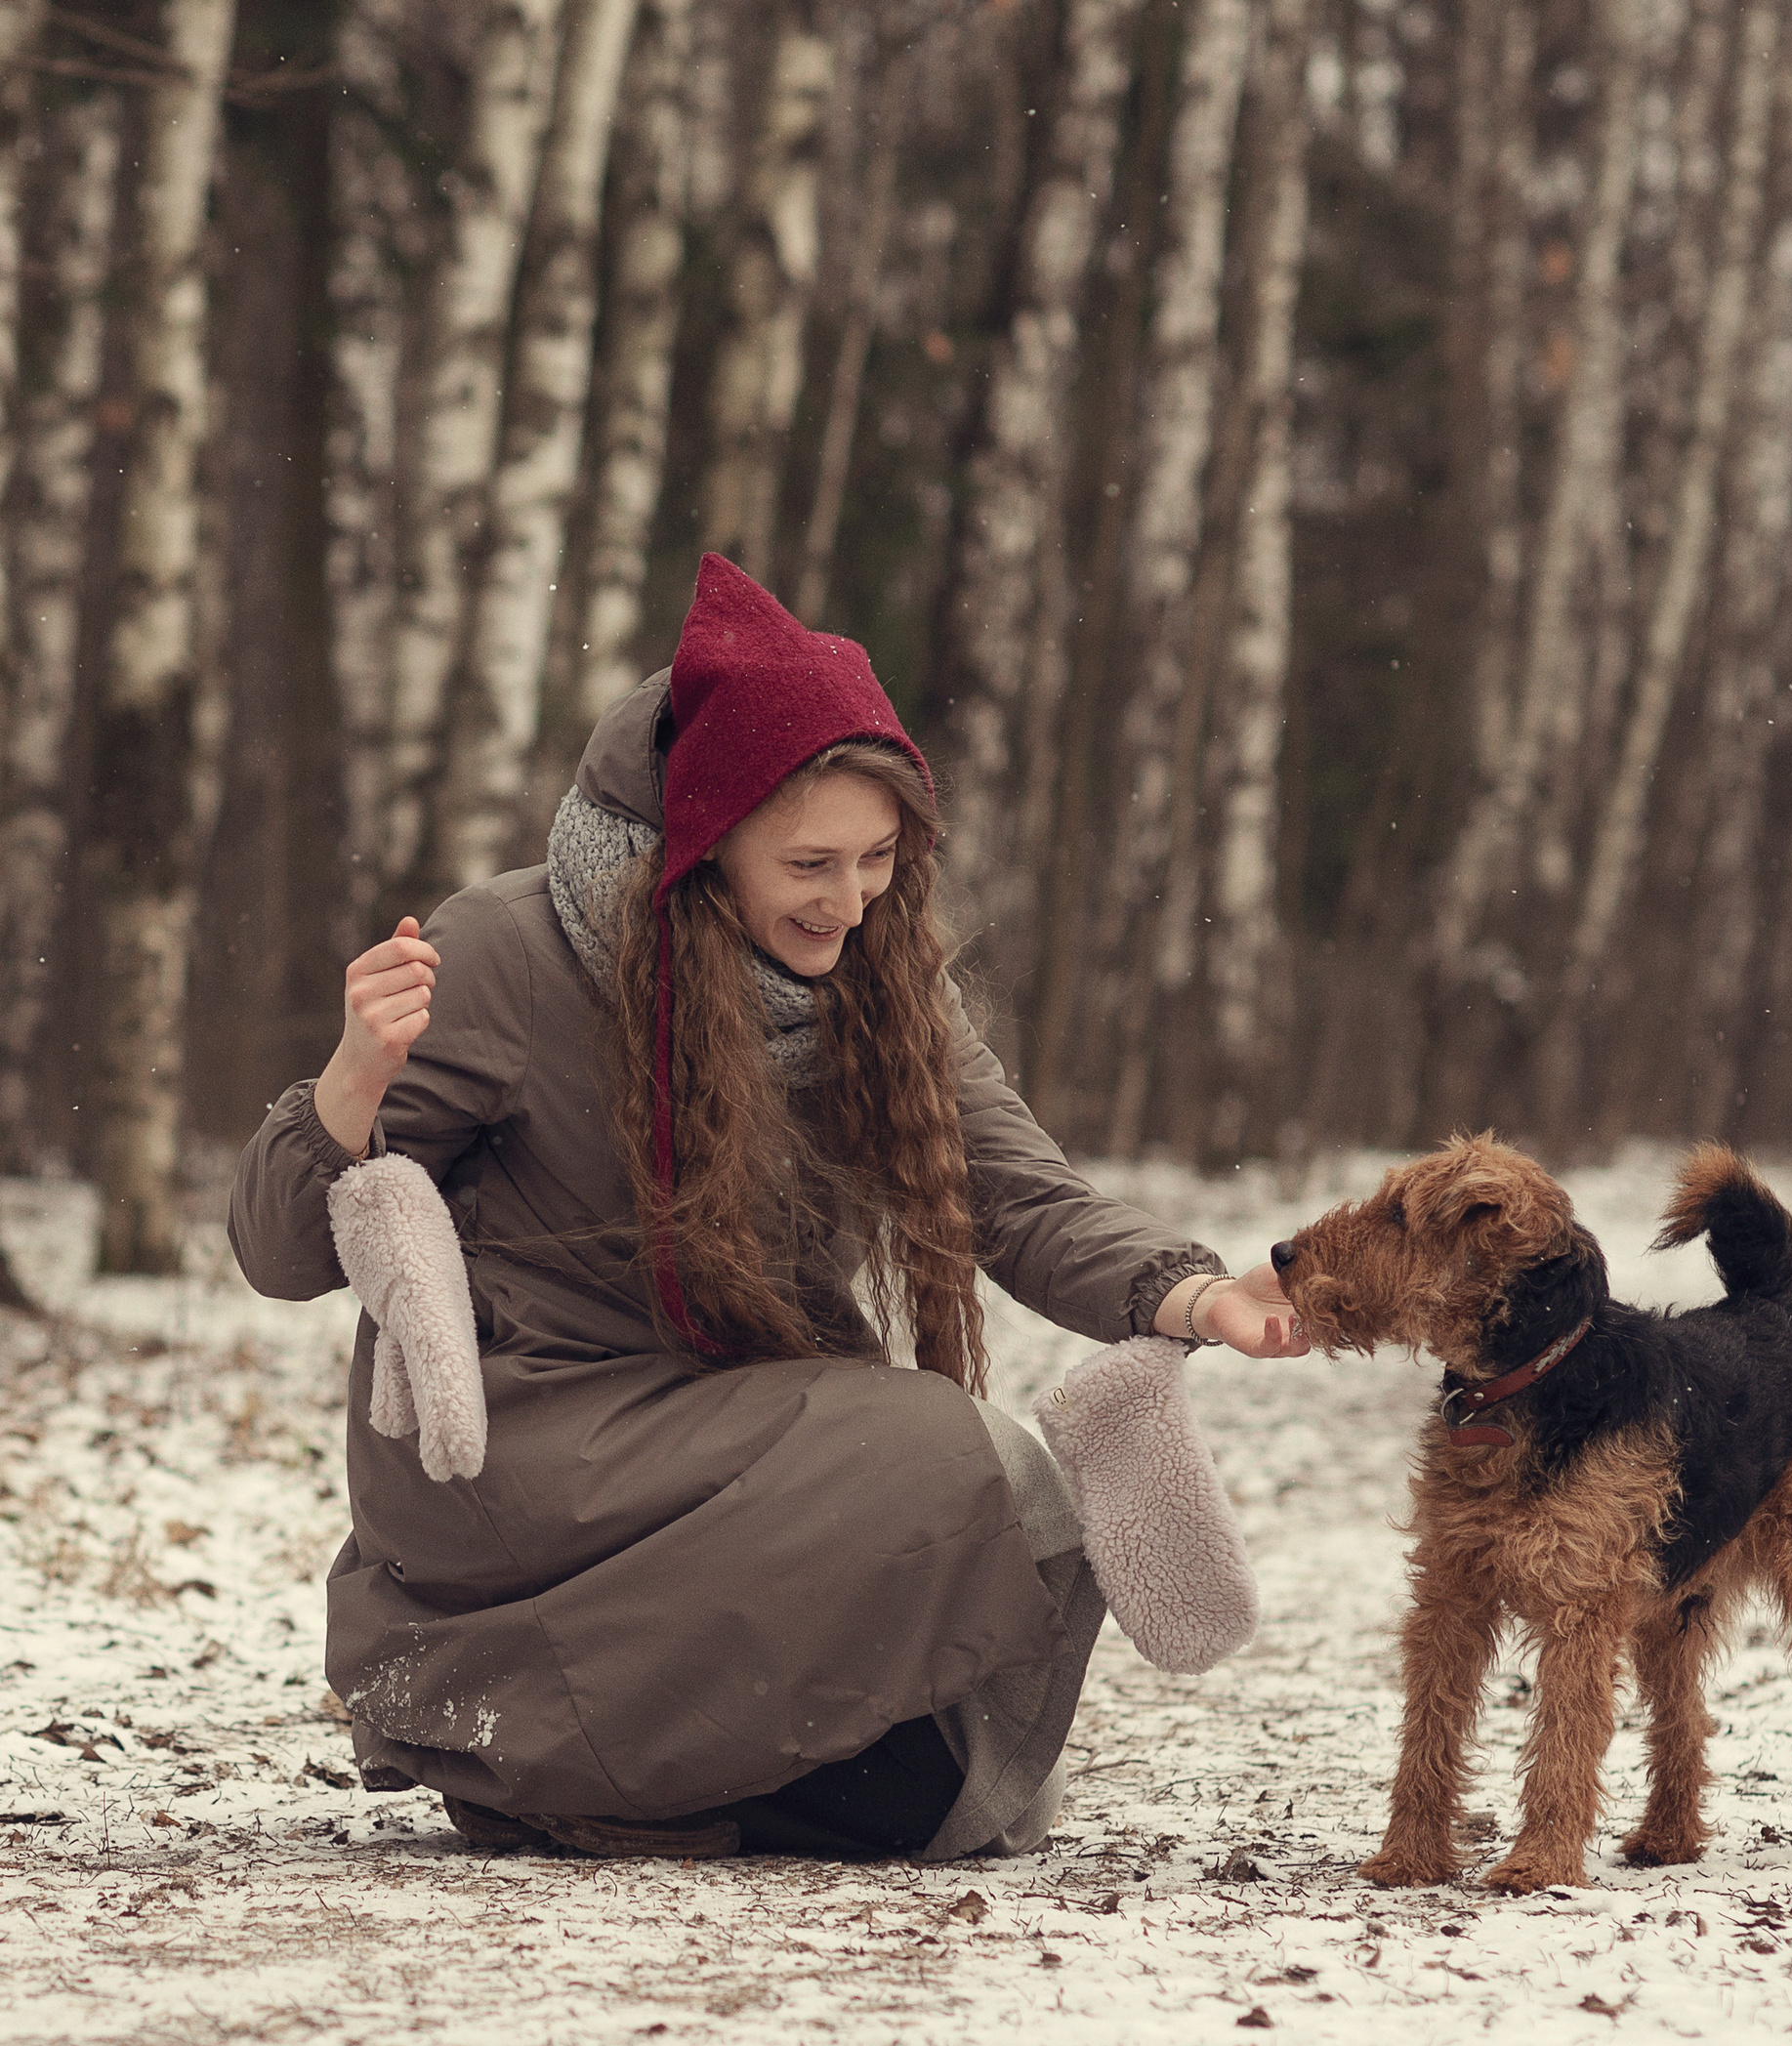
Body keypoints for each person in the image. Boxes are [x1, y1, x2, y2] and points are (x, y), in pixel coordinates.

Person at [228, 555, 1306, 1862]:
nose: (848, 902)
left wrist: (1191, 1294)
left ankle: (591, 1785)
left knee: (949, 1798)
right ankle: (545, 1751)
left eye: (878, 859)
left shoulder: (882, 980)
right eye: (808, 861)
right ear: (704, 838)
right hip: (520, 1444)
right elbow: (280, 1253)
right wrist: (350, 1081)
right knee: (948, 1452)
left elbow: (1016, 1192)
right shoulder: (515, 953)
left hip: (742, 1425)